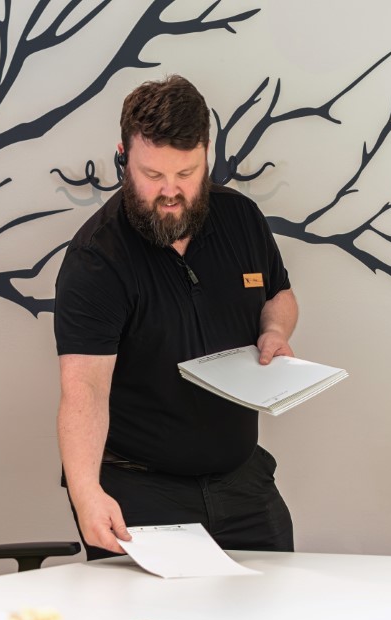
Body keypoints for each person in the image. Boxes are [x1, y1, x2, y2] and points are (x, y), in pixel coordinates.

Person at [54, 75, 299, 560]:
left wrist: (274, 331)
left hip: (241, 479)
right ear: (123, 156)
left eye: (187, 174)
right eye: (152, 175)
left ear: (206, 154)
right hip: (142, 491)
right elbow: (84, 390)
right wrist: (86, 495)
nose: (170, 192)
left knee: (277, 619)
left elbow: (280, 295)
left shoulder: (241, 218)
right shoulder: (96, 259)